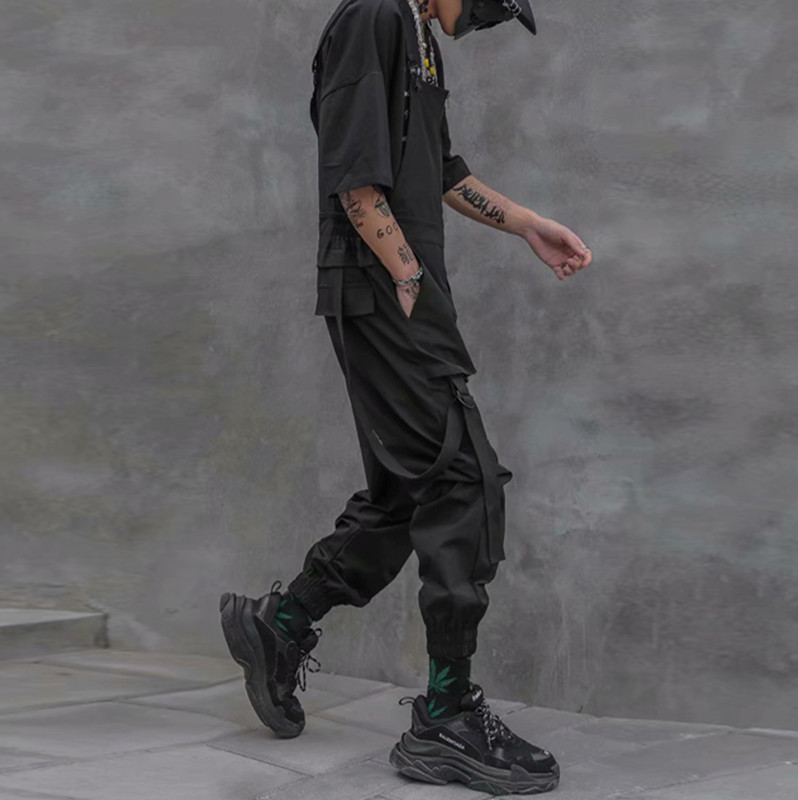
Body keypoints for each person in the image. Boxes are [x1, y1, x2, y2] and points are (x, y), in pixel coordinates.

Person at [220, 0, 592, 793]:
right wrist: (409, 275)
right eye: (491, 3)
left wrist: (528, 223)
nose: (489, 18)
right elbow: (356, 181)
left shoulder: (419, 35)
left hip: (397, 290)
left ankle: (281, 624)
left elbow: (443, 170)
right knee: (463, 481)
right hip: (383, 291)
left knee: (408, 490)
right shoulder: (376, 17)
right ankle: (445, 718)